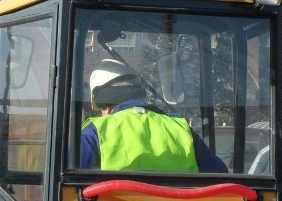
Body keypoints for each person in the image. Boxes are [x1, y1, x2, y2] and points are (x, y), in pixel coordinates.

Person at [80, 58, 227, 173]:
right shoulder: (182, 130)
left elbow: (72, 186)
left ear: (104, 103)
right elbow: (220, 176)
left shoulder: (95, 132)